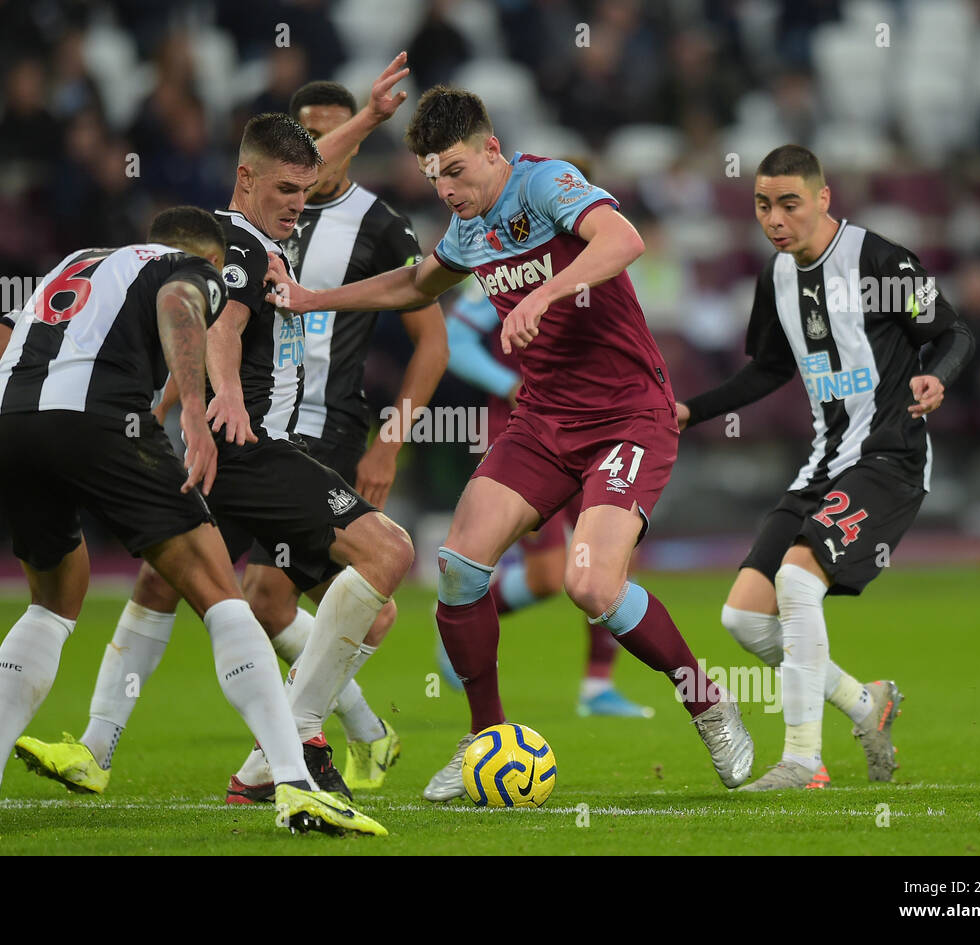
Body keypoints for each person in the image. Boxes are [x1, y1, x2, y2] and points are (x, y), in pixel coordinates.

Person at [264, 85, 755, 802]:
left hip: (628, 415)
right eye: (435, 175)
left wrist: (543, 293)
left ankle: (707, 700)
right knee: (459, 564)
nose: (447, 187)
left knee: (590, 583)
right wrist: (311, 299)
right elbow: (412, 284)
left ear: (492, 150)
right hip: (545, 418)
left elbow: (625, 240)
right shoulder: (467, 228)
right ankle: (483, 740)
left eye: (457, 169)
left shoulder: (545, 180)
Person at [0, 207, 386, 838]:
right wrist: (191, 414)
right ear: (212, 260)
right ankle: (295, 784)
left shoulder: (70, 272)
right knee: (218, 590)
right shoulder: (190, 268)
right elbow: (182, 304)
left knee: (53, 602)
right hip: (100, 422)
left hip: (7, 427)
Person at [13, 56, 416, 806]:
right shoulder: (242, 245)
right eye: (288, 192)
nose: (302, 201)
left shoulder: (255, 212)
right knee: (388, 558)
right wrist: (221, 398)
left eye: (305, 189)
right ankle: (295, 736)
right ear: (245, 182)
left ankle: (96, 749)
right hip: (248, 445)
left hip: (229, 445)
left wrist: (365, 121)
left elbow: (301, 167)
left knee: (161, 583)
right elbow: (224, 326)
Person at [676, 145, 975, 790]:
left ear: (822, 199)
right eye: (762, 205)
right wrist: (688, 411)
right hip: (825, 461)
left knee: (796, 581)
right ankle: (868, 705)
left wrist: (935, 375)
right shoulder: (776, 277)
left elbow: (954, 332)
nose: (775, 219)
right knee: (744, 620)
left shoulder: (878, 261)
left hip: (890, 457)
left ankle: (803, 760)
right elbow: (769, 369)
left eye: (789, 203)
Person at [236, 79, 448, 791]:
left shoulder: (380, 224)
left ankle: (283, 749)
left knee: (263, 590)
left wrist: (391, 438)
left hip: (328, 434)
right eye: (309, 137)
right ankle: (354, 727)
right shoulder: (268, 223)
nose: (324, 153)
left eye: (341, 136)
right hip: (260, 431)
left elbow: (433, 343)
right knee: (272, 598)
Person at [438, 278, 652, 718]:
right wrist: (508, 384)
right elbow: (453, 341)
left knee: (610, 555)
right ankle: (457, 617)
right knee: (547, 577)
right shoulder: (513, 268)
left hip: (598, 429)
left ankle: (598, 685)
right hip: (529, 435)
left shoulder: (600, 268)